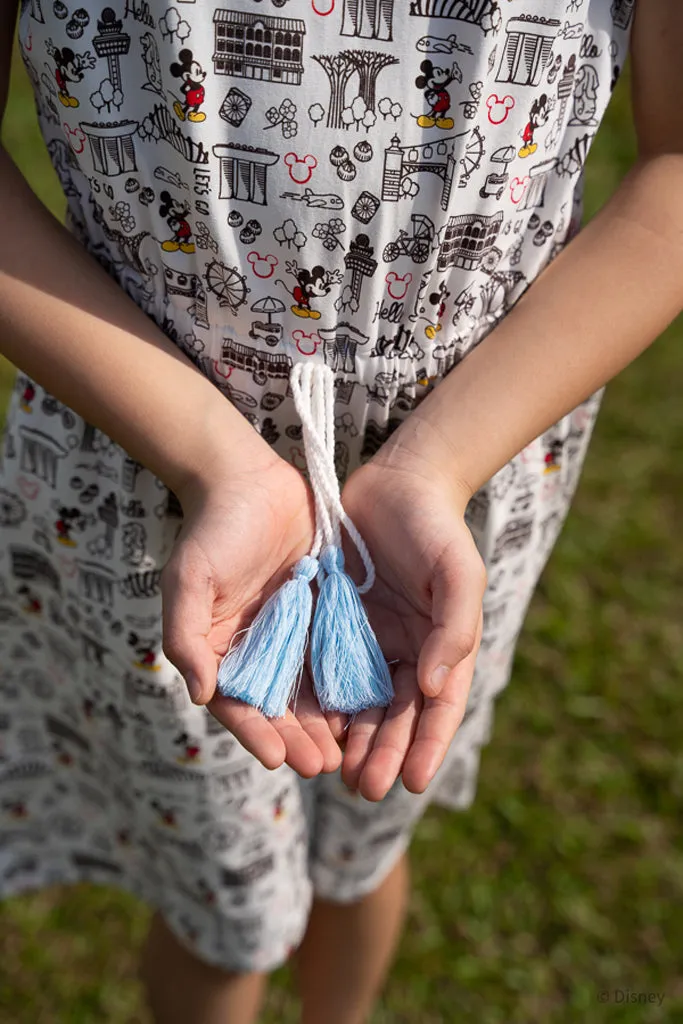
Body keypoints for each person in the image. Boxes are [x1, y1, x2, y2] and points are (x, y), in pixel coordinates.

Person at [0, 1, 680, 1021]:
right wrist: (207, 456)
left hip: (465, 468)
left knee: (365, 846)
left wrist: (433, 467)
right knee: (221, 908)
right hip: (144, 464)